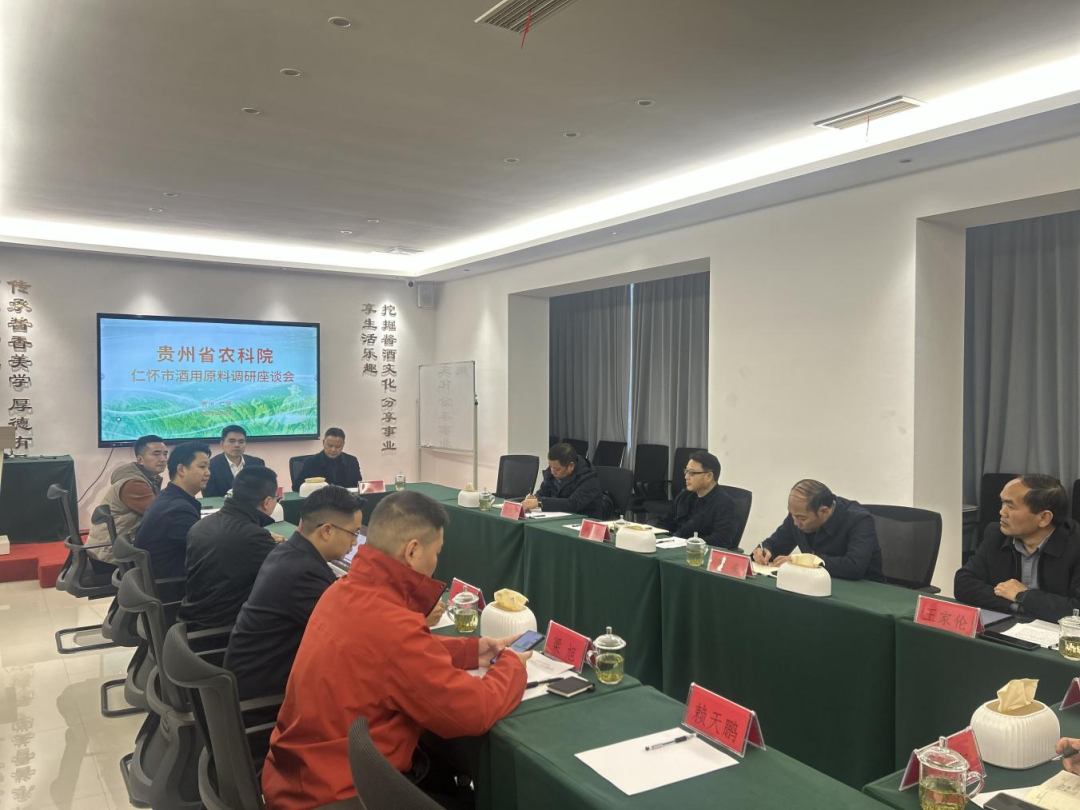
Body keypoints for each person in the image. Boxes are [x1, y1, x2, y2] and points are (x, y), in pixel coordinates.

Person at [262, 491, 529, 810]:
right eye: (437, 552)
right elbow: (473, 712)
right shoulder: (391, 623)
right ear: (413, 551)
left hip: (296, 776)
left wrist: (471, 651)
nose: (436, 563)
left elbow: (388, 653)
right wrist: (512, 665)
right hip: (339, 794)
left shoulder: (341, 591)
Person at [224, 485, 364, 701]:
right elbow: (350, 636)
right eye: (353, 533)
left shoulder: (289, 551)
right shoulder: (305, 573)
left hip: (254, 678)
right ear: (327, 531)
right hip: (266, 697)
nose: (355, 543)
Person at [955, 475, 1080, 622]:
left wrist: (1023, 595)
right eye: (1002, 502)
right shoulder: (996, 534)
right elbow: (963, 583)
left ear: (1043, 518)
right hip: (1008, 627)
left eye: (1011, 506)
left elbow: (1076, 610)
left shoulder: (1075, 545)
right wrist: (1018, 604)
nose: (1002, 512)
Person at [178, 466, 284, 632]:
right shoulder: (254, 537)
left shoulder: (201, 525)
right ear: (267, 502)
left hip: (191, 621)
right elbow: (283, 580)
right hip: (222, 632)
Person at [752, 479, 885, 581]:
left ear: (823, 511)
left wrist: (800, 561)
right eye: (792, 515)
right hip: (815, 584)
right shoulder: (797, 516)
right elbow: (776, 544)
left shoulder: (859, 520)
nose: (795, 523)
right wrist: (765, 551)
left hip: (864, 592)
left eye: (801, 518)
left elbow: (853, 567)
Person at [87, 435, 168, 569]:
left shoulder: (147, 478)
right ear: (140, 459)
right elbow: (161, 515)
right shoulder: (133, 484)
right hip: (112, 558)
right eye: (156, 454)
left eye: (165, 454)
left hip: (116, 549)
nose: (163, 459)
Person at [135, 441, 210, 579]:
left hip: (162, 576)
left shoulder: (168, 496)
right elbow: (206, 551)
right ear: (181, 469)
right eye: (202, 467)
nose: (208, 473)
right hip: (174, 584)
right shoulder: (178, 510)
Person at [655, 450, 740, 549]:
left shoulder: (725, 504)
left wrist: (688, 543)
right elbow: (664, 524)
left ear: (709, 476)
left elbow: (721, 540)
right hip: (673, 547)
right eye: (686, 471)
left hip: (699, 554)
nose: (686, 477)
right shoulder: (684, 496)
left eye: (691, 473)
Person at [522, 442, 604, 519]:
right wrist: (534, 498)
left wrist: (539, 503)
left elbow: (573, 504)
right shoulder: (552, 472)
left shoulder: (589, 477)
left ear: (571, 466)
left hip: (584, 520)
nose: (552, 471)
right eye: (550, 467)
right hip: (559, 516)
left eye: (557, 469)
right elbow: (543, 492)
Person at [204, 425, 266, 498]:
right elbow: (210, 498)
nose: (237, 445)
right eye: (232, 441)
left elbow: (263, 491)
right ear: (222, 444)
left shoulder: (257, 463)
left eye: (241, 442)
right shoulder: (211, 466)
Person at [293, 427, 361, 491]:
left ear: (343, 445)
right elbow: (296, 486)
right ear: (323, 443)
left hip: (346, 499)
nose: (333, 450)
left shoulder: (352, 461)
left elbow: (358, 486)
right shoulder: (311, 462)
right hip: (320, 499)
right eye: (330, 446)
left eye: (338, 446)